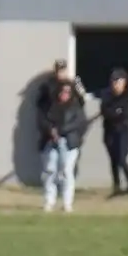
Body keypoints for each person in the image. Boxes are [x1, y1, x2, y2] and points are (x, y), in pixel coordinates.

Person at [38, 80, 88, 213]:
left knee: (66, 171)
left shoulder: (75, 107)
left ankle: (67, 203)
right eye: (62, 91)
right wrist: (50, 131)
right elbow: (43, 121)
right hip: (51, 142)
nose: (64, 94)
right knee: (50, 170)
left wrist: (61, 131)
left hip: (69, 143)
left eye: (68, 92)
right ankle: (49, 201)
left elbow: (80, 124)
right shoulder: (51, 106)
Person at [100, 68, 128, 196]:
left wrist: (116, 113)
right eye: (114, 82)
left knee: (122, 158)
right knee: (113, 160)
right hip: (109, 132)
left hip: (123, 132)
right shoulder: (106, 96)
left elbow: (126, 114)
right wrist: (116, 113)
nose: (116, 85)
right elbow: (106, 112)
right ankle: (116, 186)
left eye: (119, 82)